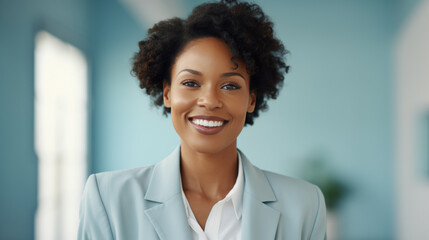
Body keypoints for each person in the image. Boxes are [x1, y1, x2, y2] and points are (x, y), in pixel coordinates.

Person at [78, 0, 327, 239]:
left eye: (229, 85)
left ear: (251, 99)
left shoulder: (305, 205)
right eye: (190, 83)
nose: (209, 100)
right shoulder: (108, 198)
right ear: (167, 93)